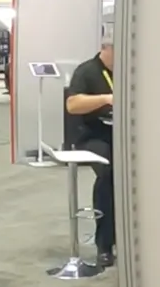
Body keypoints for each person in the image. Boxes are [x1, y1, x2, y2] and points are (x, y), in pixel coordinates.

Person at [66, 36, 116, 267]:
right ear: (105, 48)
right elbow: (73, 105)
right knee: (108, 174)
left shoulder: (126, 70)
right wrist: (106, 98)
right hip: (92, 136)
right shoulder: (87, 71)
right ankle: (104, 245)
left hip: (120, 134)